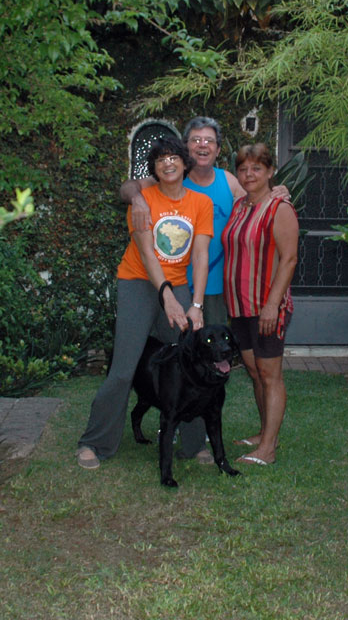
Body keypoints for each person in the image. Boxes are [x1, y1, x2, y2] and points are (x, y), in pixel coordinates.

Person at [118, 117, 287, 460]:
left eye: (208, 140)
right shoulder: (169, 173)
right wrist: (135, 196)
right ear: (185, 146)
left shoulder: (228, 181)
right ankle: (174, 419)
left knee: (205, 361)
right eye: (195, 139)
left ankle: (196, 428)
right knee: (168, 358)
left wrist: (279, 190)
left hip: (212, 288)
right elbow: (128, 187)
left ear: (218, 148)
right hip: (170, 285)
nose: (202, 145)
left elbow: (259, 196)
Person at [76, 136, 212, 469]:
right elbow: (148, 254)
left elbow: (201, 255)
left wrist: (195, 305)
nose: (168, 163)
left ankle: (193, 444)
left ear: (184, 163)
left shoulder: (200, 204)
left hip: (179, 286)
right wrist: (166, 297)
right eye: (161, 159)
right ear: (154, 168)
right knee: (123, 369)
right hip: (138, 283)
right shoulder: (142, 202)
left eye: (174, 157)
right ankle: (94, 442)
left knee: (191, 362)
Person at [222, 143, 298, 467]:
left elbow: (289, 259)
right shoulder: (240, 206)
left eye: (256, 168)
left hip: (267, 306)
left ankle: (268, 448)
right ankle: (266, 433)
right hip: (239, 306)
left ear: (270, 172)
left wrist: (272, 305)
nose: (248, 174)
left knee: (270, 375)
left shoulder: (279, 208)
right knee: (254, 371)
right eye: (243, 169)